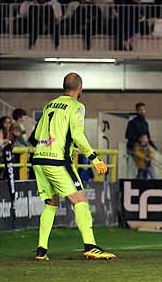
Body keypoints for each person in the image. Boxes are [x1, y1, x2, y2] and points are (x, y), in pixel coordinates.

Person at [29, 73, 113, 261]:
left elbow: (34, 136)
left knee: (50, 203)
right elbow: (77, 134)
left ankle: (41, 250)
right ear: (80, 88)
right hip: (58, 161)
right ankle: (91, 245)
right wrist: (94, 157)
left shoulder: (49, 105)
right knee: (80, 199)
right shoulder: (77, 106)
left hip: (39, 159)